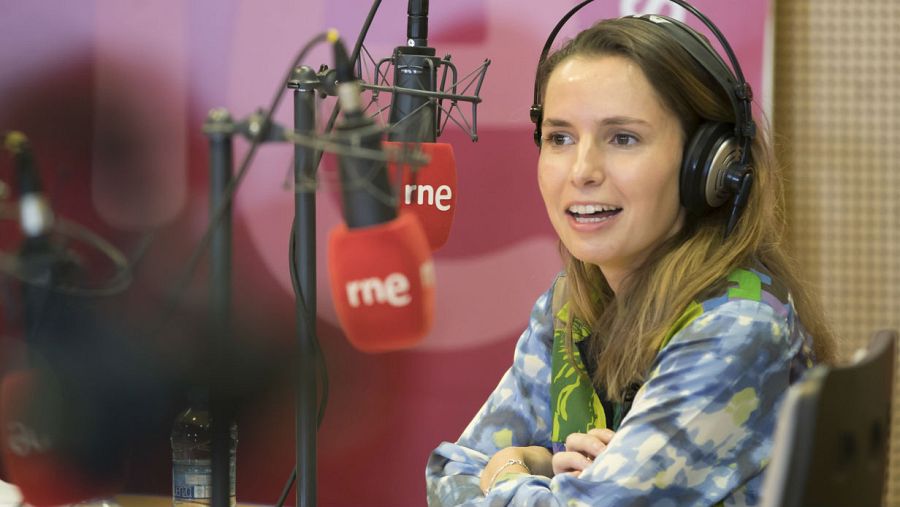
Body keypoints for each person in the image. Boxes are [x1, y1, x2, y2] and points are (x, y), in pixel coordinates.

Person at [425, 13, 836, 507]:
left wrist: (513, 467)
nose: (582, 171)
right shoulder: (572, 304)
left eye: (623, 138)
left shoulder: (737, 328)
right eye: (560, 137)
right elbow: (452, 470)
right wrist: (542, 471)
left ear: (707, 166)